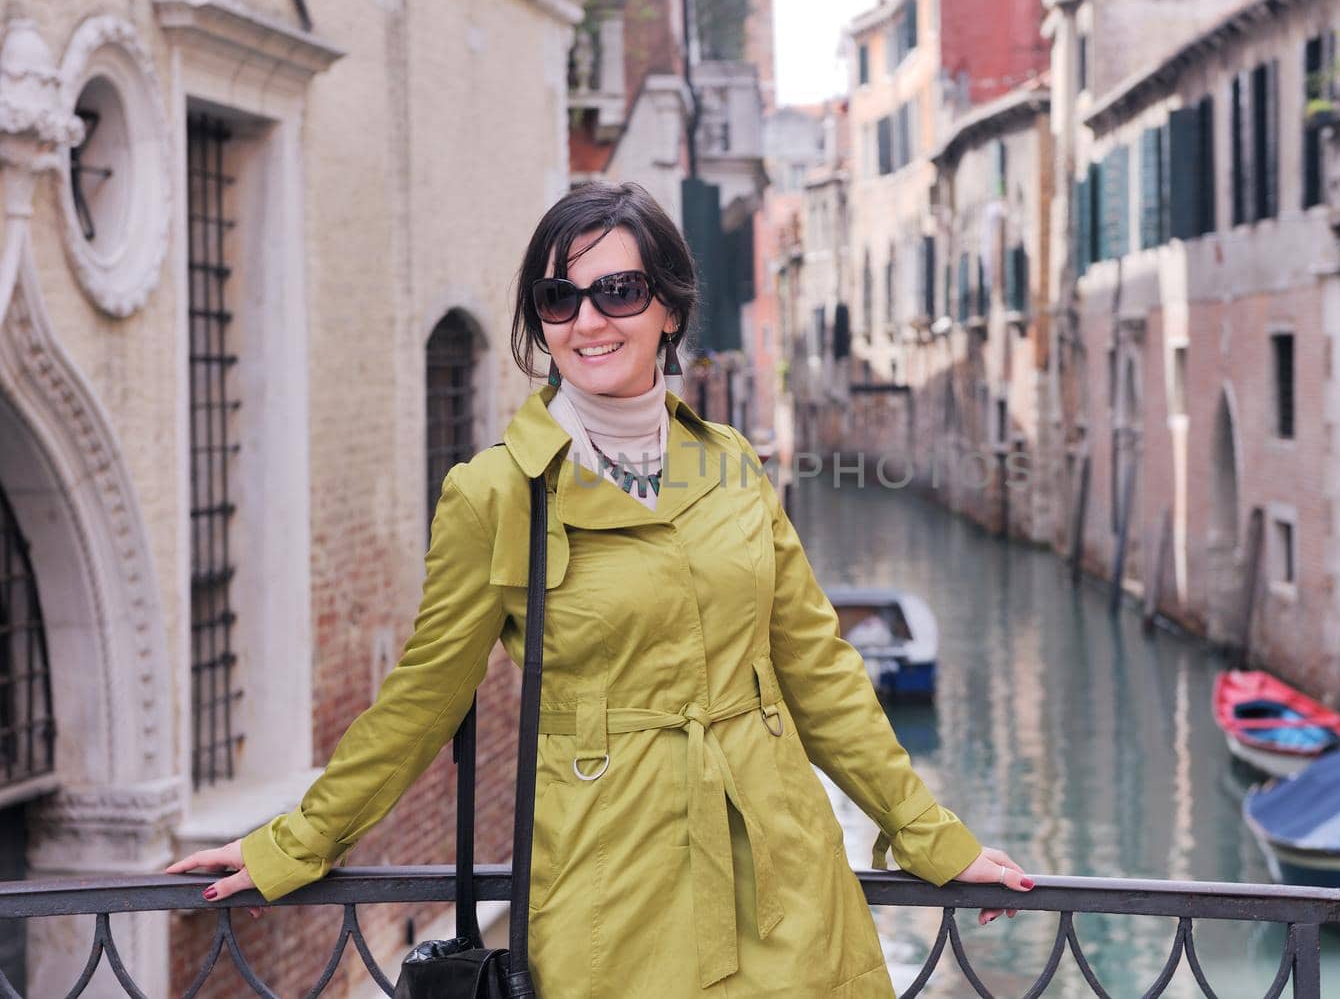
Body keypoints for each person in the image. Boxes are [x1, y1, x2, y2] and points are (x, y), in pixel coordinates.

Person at [167, 181, 1031, 997]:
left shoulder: (731, 465)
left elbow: (819, 672)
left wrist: (931, 835)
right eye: (559, 298)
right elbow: (423, 697)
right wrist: (299, 840)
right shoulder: (495, 492)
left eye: (617, 290)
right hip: (612, 883)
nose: (588, 320)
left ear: (668, 308)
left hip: (784, 871)